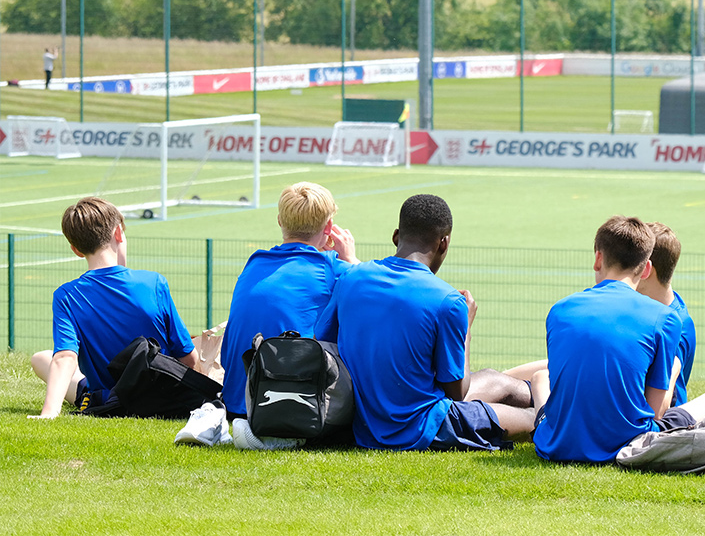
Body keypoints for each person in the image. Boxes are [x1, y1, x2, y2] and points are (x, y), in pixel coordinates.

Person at [314, 194, 534, 451]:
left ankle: (554, 394)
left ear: (396, 236)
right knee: (531, 419)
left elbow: (324, 341)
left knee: (494, 379)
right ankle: (564, 409)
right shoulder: (447, 301)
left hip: (363, 417)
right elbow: (457, 393)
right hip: (419, 426)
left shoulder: (351, 278)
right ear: (444, 243)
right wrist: (466, 329)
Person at [534, 216, 693, 464]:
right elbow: (655, 412)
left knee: (539, 378)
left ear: (598, 258)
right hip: (630, 445)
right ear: (647, 268)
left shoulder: (560, 310)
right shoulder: (666, 319)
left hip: (555, 445)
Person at [30, 197, 198, 419]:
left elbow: (65, 358)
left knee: (42, 358)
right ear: (118, 233)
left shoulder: (67, 296)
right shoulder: (153, 283)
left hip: (108, 399)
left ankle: (85, 396)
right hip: (159, 396)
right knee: (42, 358)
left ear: (76, 250)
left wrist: (49, 413)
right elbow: (189, 359)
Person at [220, 182, 358, 420]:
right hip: (286, 404)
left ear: (280, 221)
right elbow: (375, 294)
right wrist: (352, 260)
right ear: (329, 227)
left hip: (235, 401)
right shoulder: (332, 269)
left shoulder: (255, 262)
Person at [635, 222, 696, 407]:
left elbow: (660, 403)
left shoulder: (677, 326)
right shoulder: (646, 308)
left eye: (630, 264)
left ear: (646, 269)